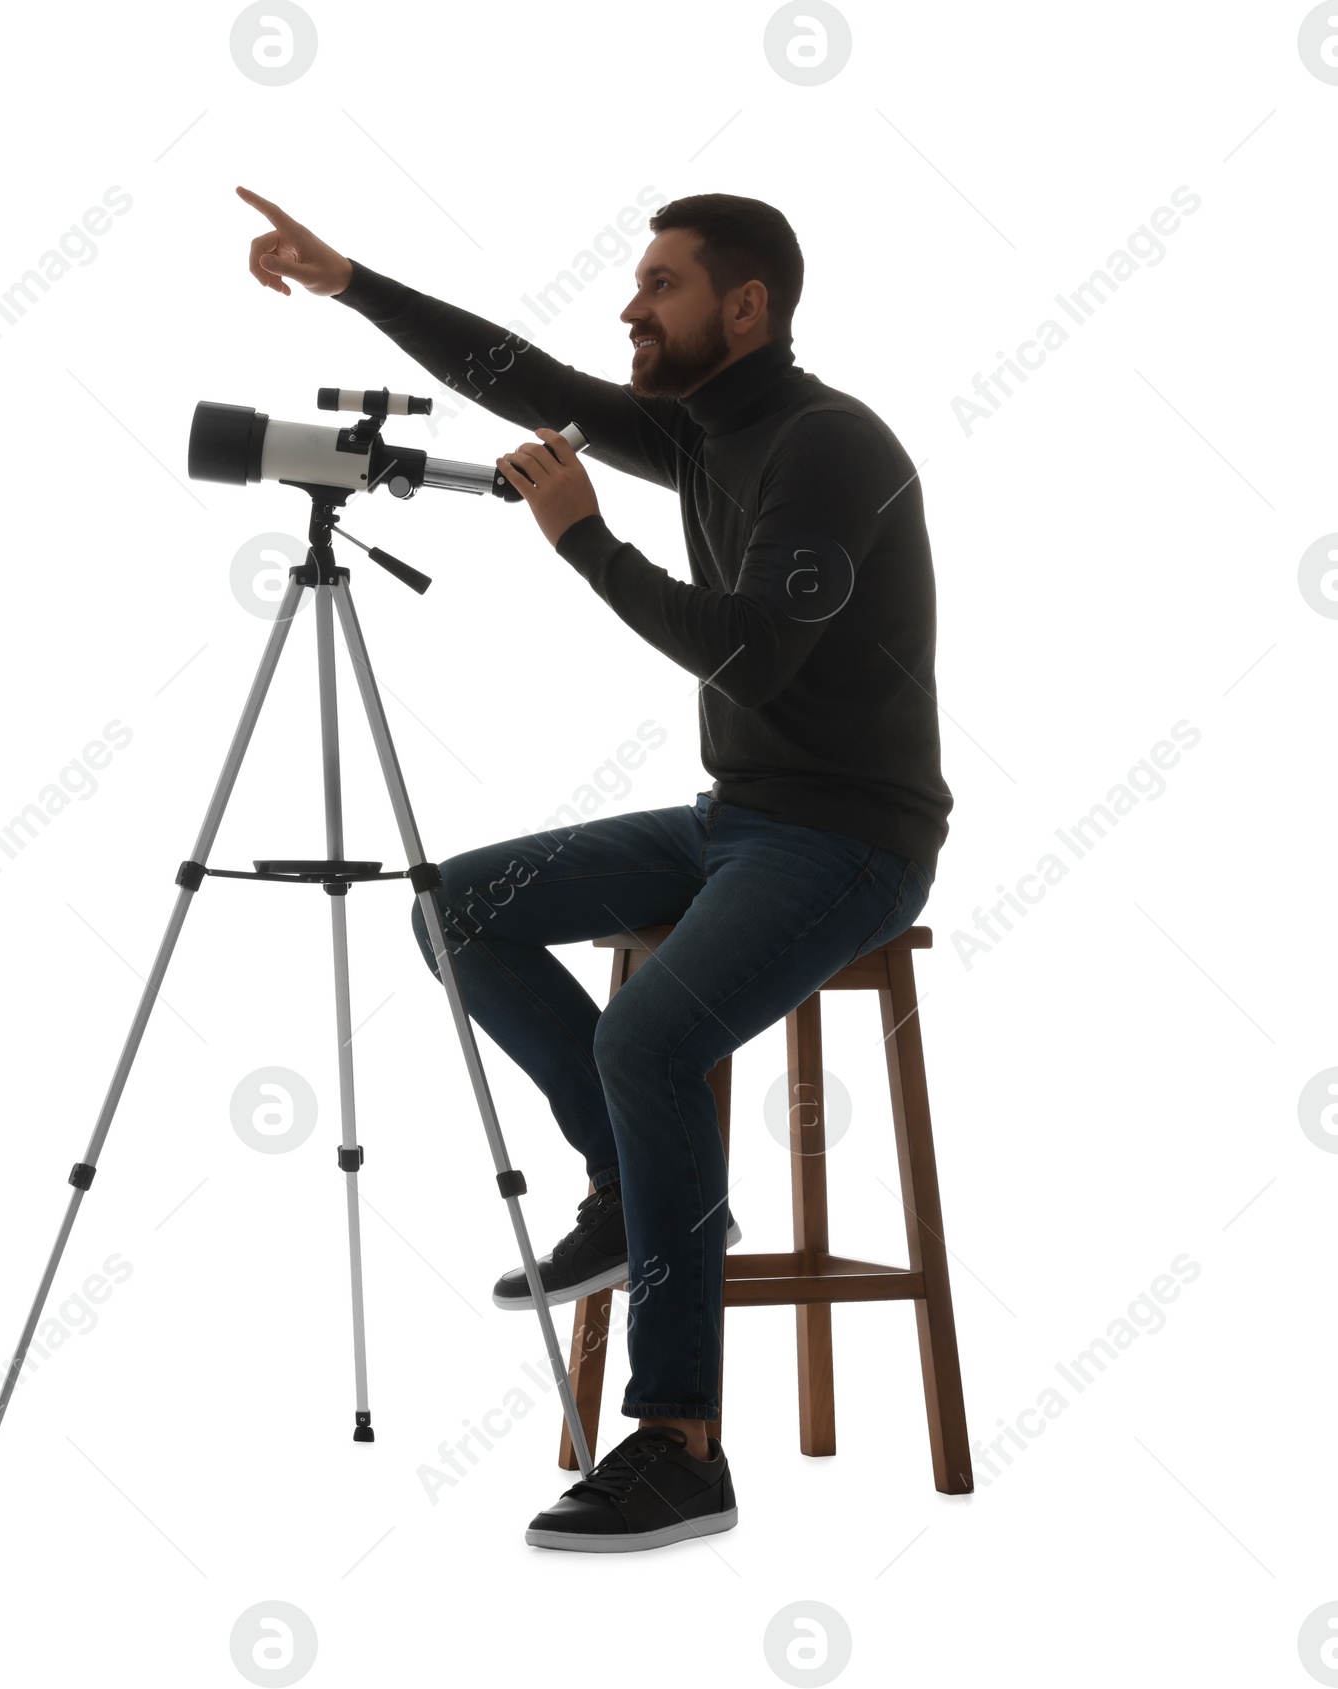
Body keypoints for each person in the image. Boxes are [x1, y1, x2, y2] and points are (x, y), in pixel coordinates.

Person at [236, 184, 951, 1553]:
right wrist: (349, 281)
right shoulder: (704, 430)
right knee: (459, 905)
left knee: (648, 1036)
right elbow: (531, 378)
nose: (632, 307)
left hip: (856, 839)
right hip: (736, 816)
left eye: (663, 287)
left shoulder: (831, 446)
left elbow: (746, 650)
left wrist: (581, 539)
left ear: (747, 308)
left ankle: (679, 1443)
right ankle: (632, 1188)